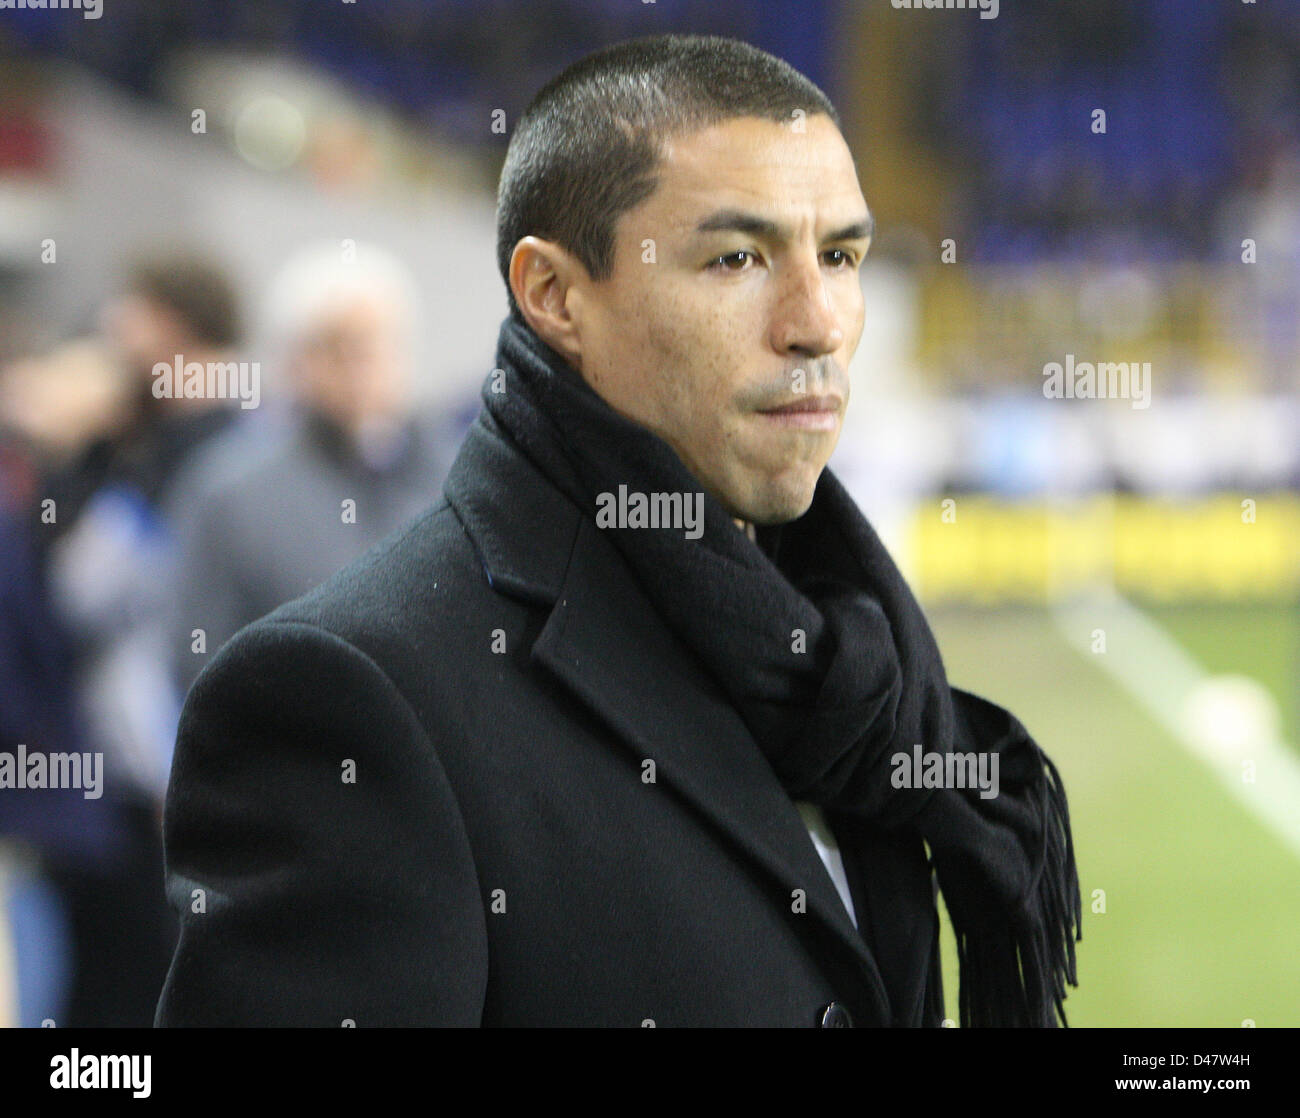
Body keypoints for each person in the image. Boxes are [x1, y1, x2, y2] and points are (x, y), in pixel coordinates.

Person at [157, 34, 1080, 1029]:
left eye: (842, 254)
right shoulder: (347, 696)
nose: (817, 320)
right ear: (554, 295)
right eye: (736, 256)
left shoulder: (853, 668)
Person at [165, 241, 459, 693]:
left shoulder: (453, 478)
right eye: (340, 349)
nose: (363, 369)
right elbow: (196, 658)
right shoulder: (230, 490)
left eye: (379, 346)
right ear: (295, 361)